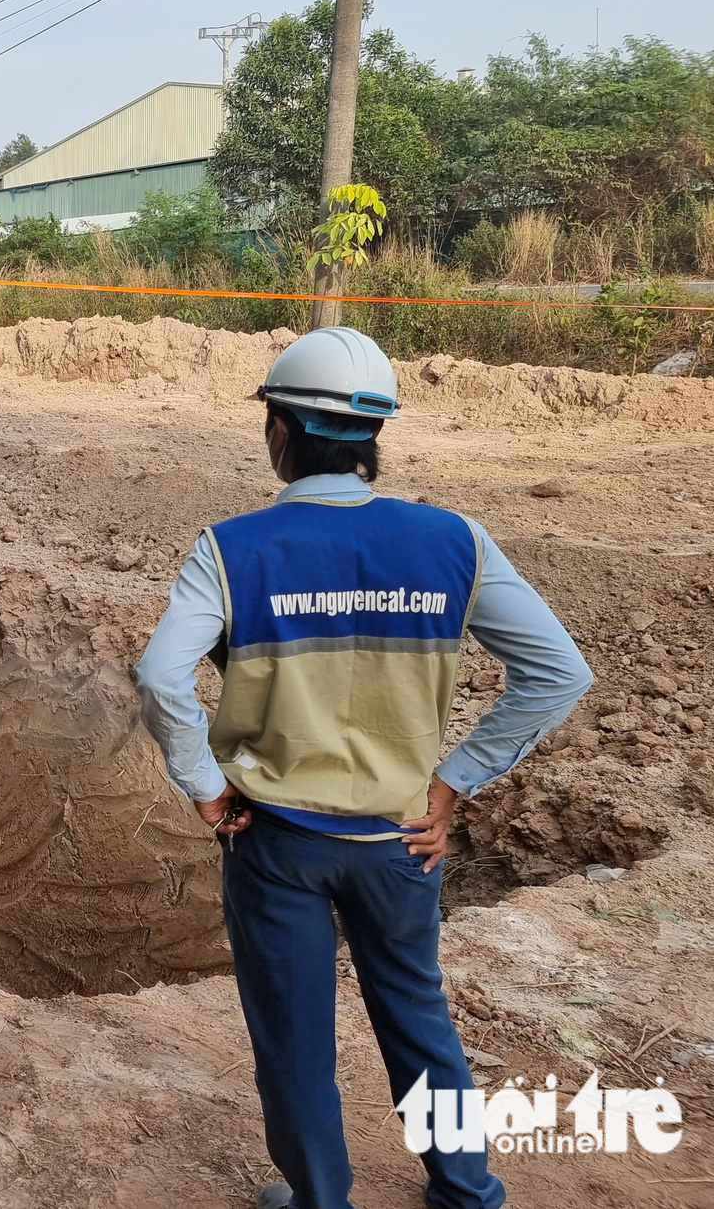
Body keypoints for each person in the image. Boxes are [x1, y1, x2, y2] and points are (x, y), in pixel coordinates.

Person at [134, 326, 592, 1209]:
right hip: (400, 838)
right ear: (373, 438)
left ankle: (320, 1200)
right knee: (418, 1017)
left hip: (277, 841)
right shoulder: (455, 541)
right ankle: (465, 1190)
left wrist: (203, 786)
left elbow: (160, 675)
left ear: (279, 432)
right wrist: (454, 779)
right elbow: (558, 672)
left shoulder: (231, 550)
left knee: (296, 1037)